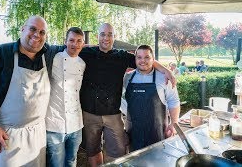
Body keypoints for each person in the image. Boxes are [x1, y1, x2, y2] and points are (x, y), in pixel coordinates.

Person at [78, 23, 176, 166]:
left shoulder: (122, 56)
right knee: (93, 149)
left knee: (118, 150)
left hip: (113, 114)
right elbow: (70, 50)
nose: (106, 38)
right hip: (90, 113)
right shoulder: (87, 53)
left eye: (110, 34)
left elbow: (145, 60)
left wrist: (165, 70)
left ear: (114, 37)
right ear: (97, 36)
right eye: (103, 34)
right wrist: (83, 45)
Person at [0, 15, 63, 167]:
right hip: (9, 136)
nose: (37, 35)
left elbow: (71, 47)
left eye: (42, 32)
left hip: (37, 135)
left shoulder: (48, 54)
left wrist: (88, 48)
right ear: (22, 29)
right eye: (33, 29)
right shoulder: (2, 53)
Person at [123, 45, 180, 151]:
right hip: (133, 132)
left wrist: (174, 123)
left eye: (147, 57)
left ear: (153, 59)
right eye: (139, 57)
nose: (142, 61)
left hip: (158, 132)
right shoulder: (127, 78)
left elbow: (173, 101)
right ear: (135, 59)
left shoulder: (164, 77)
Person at [45, 27, 86, 167]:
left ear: (83, 43)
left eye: (79, 41)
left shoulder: (82, 63)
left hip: (76, 125)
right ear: (65, 41)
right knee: (56, 164)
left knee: (71, 161)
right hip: (54, 124)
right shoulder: (54, 57)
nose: (75, 44)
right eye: (72, 40)